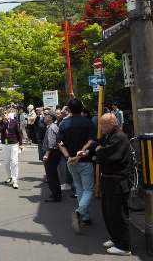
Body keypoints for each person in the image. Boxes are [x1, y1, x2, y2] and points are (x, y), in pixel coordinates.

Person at [78, 113, 132, 256]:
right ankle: (116, 239)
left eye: (103, 125)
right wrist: (89, 151)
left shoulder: (119, 137)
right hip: (108, 180)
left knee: (118, 214)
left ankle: (124, 246)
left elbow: (106, 155)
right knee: (108, 213)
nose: (100, 127)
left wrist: (98, 151)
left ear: (112, 123)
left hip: (117, 181)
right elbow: (98, 144)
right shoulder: (109, 136)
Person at [58, 99, 95, 233]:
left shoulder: (63, 124)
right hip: (85, 160)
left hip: (70, 161)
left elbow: (60, 143)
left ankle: (85, 216)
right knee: (88, 189)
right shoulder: (87, 122)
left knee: (79, 188)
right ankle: (80, 212)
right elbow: (91, 140)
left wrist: (69, 157)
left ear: (69, 109)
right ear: (82, 108)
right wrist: (80, 153)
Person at [0, 110, 22, 189]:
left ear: (8, 114)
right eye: (2, 114)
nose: (4, 115)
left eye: (5, 113)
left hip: (14, 143)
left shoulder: (14, 122)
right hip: (5, 144)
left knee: (14, 162)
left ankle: (15, 180)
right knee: (6, 162)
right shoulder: (0, 122)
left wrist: (21, 144)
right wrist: (5, 123)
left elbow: (18, 132)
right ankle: (9, 176)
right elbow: (1, 130)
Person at [42, 111, 61, 202]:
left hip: (52, 154)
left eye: (47, 116)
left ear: (51, 118)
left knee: (51, 175)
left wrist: (46, 155)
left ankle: (55, 195)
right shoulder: (52, 127)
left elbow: (51, 143)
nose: (45, 117)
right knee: (53, 174)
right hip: (54, 153)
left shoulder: (51, 128)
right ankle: (56, 194)